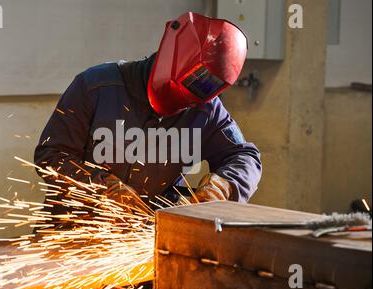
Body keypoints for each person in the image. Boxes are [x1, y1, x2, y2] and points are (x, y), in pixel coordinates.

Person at [34, 12, 262, 215]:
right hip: (76, 232)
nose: (189, 97)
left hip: (147, 237)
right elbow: (51, 156)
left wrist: (225, 184)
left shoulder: (206, 107)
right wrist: (100, 186)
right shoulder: (95, 87)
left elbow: (244, 157)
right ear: (172, 58)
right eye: (190, 81)